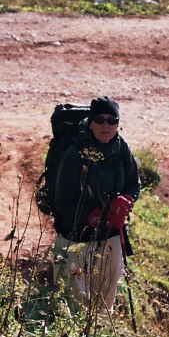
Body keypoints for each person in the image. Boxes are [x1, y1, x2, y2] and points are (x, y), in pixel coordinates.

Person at [52, 96, 140, 316]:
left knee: (107, 291)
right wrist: (91, 216)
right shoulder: (75, 154)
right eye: (100, 119)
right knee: (74, 297)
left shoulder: (121, 148)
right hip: (76, 235)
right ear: (90, 122)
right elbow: (62, 201)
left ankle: (98, 334)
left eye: (112, 120)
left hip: (110, 232)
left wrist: (126, 200)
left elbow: (133, 183)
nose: (106, 125)